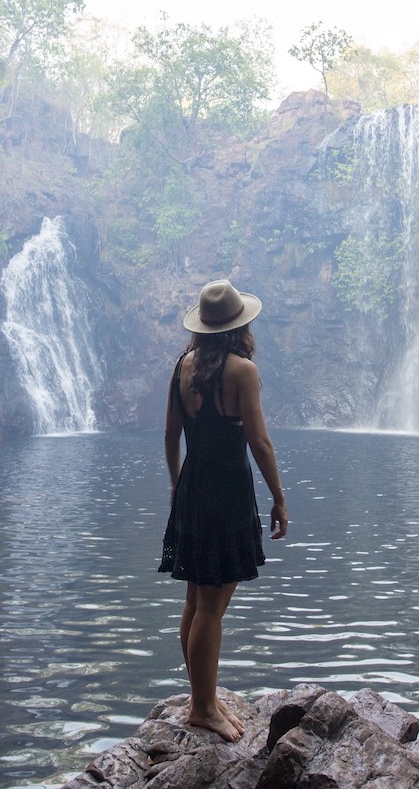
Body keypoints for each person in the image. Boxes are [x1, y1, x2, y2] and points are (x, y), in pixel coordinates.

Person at [158, 278, 288, 742]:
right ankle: (203, 707)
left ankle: (201, 698)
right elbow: (259, 442)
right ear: (239, 327)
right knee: (212, 608)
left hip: (193, 490)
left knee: (195, 600)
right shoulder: (241, 371)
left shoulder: (182, 368)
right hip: (228, 494)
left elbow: (172, 437)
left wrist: (178, 487)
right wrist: (278, 496)